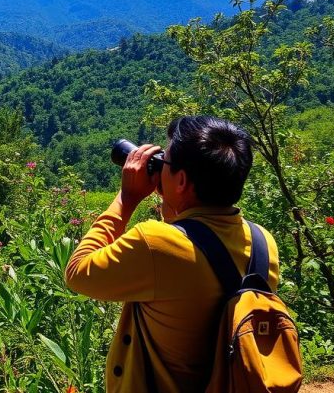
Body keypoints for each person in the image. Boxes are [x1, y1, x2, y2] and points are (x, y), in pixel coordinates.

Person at [64, 116, 280, 393]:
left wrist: (126, 198)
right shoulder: (263, 242)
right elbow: (193, 246)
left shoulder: (156, 244)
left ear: (181, 180)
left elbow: (78, 272)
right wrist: (173, 197)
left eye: (166, 161)